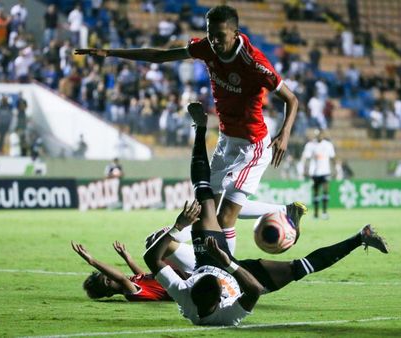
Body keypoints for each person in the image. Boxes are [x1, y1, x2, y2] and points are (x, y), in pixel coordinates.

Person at [75, 5, 303, 255]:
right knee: (207, 213)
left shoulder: (254, 62)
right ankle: (282, 210)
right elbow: (159, 56)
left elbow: (291, 99)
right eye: (210, 34)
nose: (214, 41)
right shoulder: (206, 47)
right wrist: (109, 52)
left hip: (253, 146)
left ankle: (226, 279)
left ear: (236, 33)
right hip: (226, 142)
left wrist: (284, 134)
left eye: (220, 35)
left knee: (225, 218)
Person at [143, 102, 389, 326]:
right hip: (239, 276)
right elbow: (253, 290)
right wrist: (228, 264)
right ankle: (361, 237)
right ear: (220, 299)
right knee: (300, 268)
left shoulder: (184, 294)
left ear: (192, 283)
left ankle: (200, 127)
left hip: (209, 259)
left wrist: (178, 226)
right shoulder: (226, 315)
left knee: (203, 193)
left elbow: (151, 258)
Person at [72, 235, 194, 302]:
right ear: (109, 294)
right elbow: (120, 278)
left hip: (184, 273)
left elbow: (146, 278)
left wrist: (128, 259)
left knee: (153, 241)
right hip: (190, 280)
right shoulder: (131, 294)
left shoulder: (135, 282)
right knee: (159, 241)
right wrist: (92, 261)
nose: (111, 277)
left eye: (108, 275)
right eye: (108, 281)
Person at [302, 129, 336, 220]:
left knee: (325, 191)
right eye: (317, 135)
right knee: (316, 192)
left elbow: (333, 158)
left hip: (326, 172)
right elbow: (307, 158)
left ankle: (324, 212)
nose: (319, 136)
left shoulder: (328, 145)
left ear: (323, 135)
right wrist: (306, 170)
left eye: (321, 135)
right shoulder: (310, 145)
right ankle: (316, 213)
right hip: (315, 172)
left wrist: (335, 169)